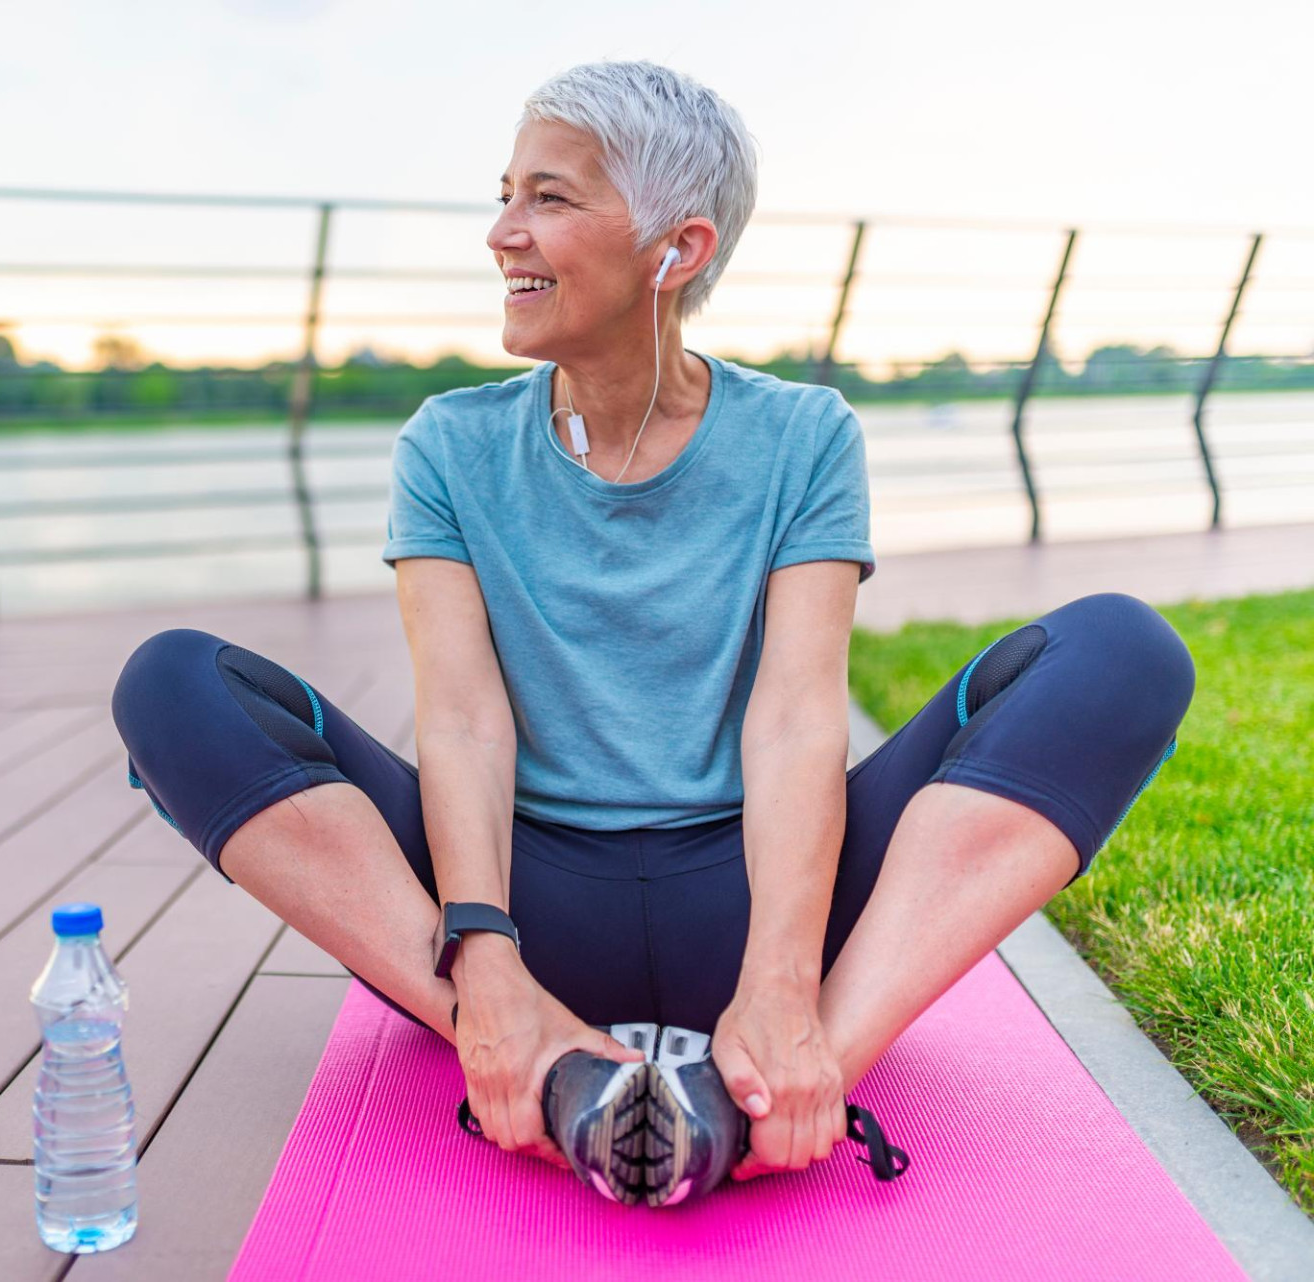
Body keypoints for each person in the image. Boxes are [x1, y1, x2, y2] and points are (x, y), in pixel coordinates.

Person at [111, 59, 1193, 1200]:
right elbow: (466, 723)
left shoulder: (804, 436)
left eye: (549, 198)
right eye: (505, 194)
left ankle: (796, 1068)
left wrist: (779, 975)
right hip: (521, 908)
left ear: (675, 251)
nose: (502, 233)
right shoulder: (447, 446)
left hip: (764, 892)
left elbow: (793, 721)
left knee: (1123, 654)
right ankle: (536, 1051)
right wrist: (484, 960)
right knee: (171, 685)